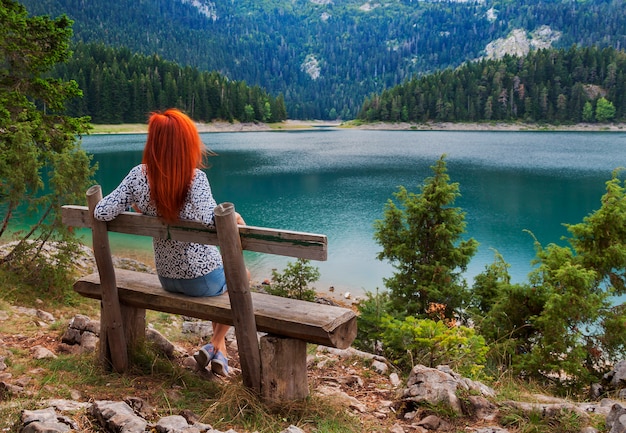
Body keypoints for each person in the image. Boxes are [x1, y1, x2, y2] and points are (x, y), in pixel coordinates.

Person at [93, 108, 243, 376]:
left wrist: (141, 205)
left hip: (167, 278)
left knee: (226, 278)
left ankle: (217, 349)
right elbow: (216, 221)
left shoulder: (138, 175)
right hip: (201, 281)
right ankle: (217, 344)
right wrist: (236, 218)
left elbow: (102, 211)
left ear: (154, 142)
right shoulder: (195, 179)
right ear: (186, 143)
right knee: (240, 276)